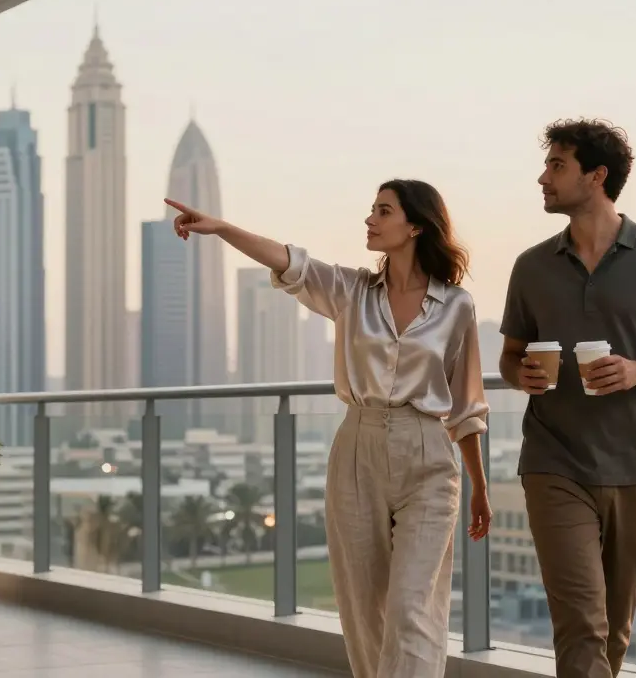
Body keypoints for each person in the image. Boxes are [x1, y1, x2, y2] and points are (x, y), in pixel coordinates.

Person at [165, 179, 490, 678]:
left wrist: (479, 487)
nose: (370, 219)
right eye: (372, 209)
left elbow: (466, 406)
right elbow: (289, 261)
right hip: (357, 450)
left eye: (384, 211)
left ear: (416, 226)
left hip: (427, 454)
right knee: (363, 609)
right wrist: (222, 228)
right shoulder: (351, 291)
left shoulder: (456, 306)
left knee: (413, 607)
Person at [499, 119, 636, 677]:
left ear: (596, 176)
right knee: (581, 624)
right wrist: (522, 375)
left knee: (613, 630)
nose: (543, 178)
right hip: (553, 460)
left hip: (635, 463)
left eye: (557, 165)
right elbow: (509, 357)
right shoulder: (531, 266)